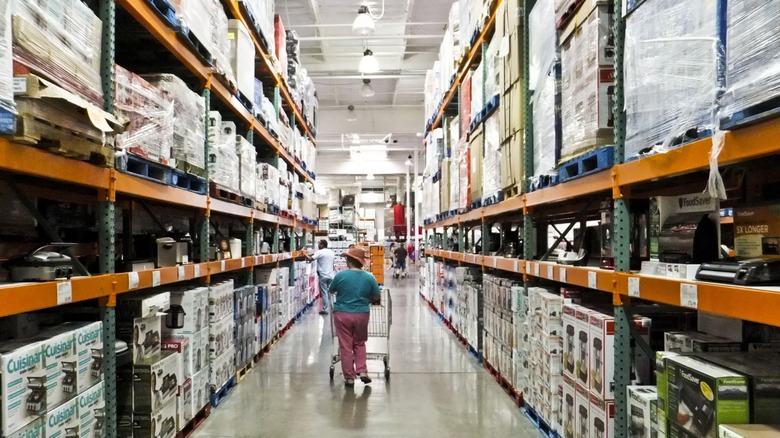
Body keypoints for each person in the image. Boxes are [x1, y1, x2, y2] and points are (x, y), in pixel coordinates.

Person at [330, 246, 381, 387]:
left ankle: (349, 377)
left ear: (350, 260)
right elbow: (376, 295)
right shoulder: (369, 277)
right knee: (359, 343)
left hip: (342, 313)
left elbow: (331, 290)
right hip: (361, 314)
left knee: (346, 345)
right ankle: (362, 371)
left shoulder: (340, 275)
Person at [306, 239, 335, 315]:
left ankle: (325, 309)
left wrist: (303, 253)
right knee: (330, 292)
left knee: (324, 292)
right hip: (331, 275)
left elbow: (310, 259)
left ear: (322, 245)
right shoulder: (331, 253)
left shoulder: (320, 252)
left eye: (319, 244)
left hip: (323, 275)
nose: (318, 245)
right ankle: (333, 307)